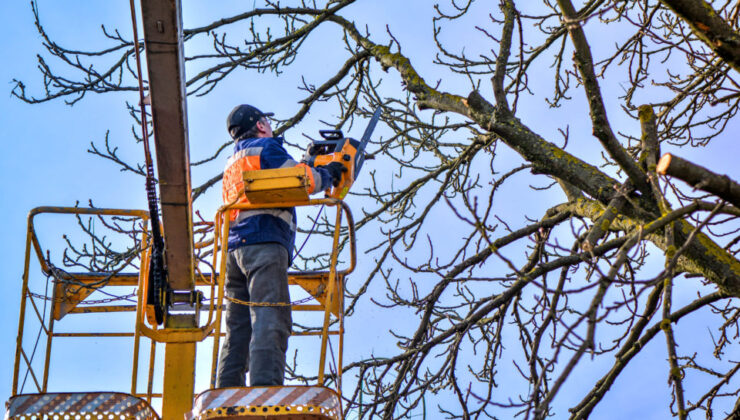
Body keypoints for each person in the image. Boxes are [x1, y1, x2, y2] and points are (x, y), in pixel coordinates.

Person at [216, 104, 345, 388]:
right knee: (270, 316)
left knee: (237, 329)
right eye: (267, 122)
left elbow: (283, 180)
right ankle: (264, 391)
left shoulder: (234, 160)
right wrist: (329, 173)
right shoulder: (266, 149)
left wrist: (307, 163)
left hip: (235, 249)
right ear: (261, 125)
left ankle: (226, 393)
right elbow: (302, 181)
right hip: (263, 242)